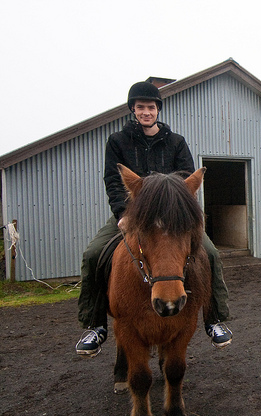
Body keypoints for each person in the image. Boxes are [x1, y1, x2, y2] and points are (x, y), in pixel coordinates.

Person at [76, 82, 232, 357]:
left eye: (151, 107)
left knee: (210, 254)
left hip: (171, 216)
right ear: (133, 110)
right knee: (93, 254)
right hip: (135, 214)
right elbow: (113, 180)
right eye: (141, 107)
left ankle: (214, 319)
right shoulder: (117, 141)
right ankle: (95, 325)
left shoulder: (176, 142)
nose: (146, 112)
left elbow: (186, 180)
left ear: (158, 109)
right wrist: (123, 214)